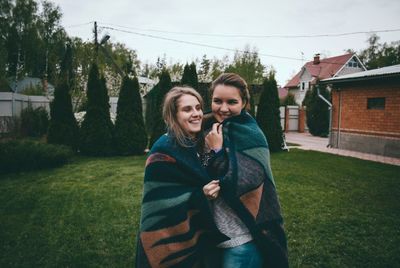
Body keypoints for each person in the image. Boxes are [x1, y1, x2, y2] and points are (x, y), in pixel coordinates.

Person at [202, 73, 289, 268]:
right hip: (212, 235)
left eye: (231, 102)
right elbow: (202, 168)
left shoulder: (251, 134)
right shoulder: (209, 129)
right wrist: (210, 153)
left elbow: (244, 182)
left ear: (244, 103)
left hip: (241, 238)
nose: (223, 108)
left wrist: (216, 150)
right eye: (217, 101)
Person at [135, 87, 225, 268]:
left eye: (198, 108)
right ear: (172, 116)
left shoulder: (194, 142)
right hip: (167, 237)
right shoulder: (164, 149)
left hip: (195, 233)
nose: (196, 114)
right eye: (187, 109)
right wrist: (201, 195)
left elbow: (202, 174)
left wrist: (215, 150)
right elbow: (160, 203)